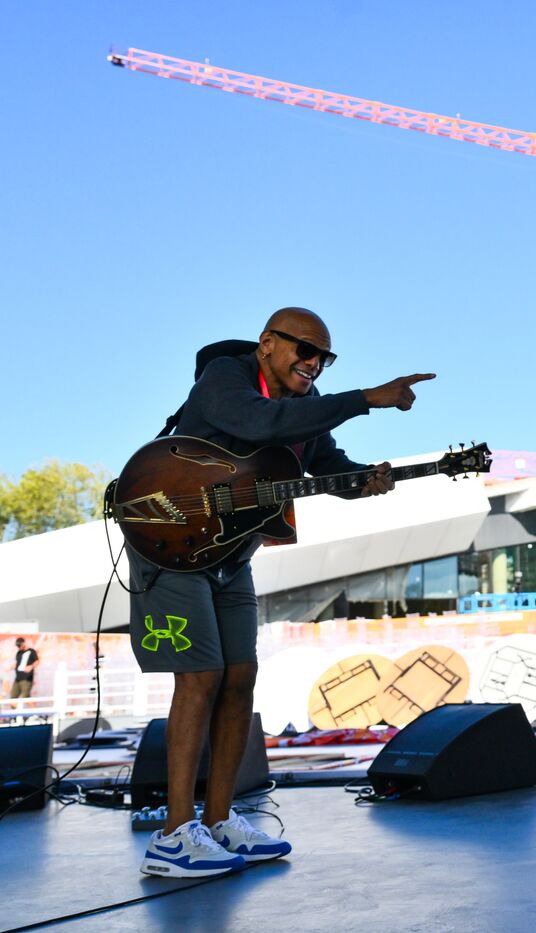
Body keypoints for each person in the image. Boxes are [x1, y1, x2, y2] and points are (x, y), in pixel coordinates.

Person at [129, 307, 434, 879]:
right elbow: (259, 425)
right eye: (305, 350)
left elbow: (326, 465)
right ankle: (173, 834)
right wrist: (367, 397)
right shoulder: (227, 376)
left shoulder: (302, 414)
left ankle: (219, 821)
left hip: (231, 557)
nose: (314, 364)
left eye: (325, 357)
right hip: (170, 540)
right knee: (200, 678)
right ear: (268, 343)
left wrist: (365, 481)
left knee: (240, 675)